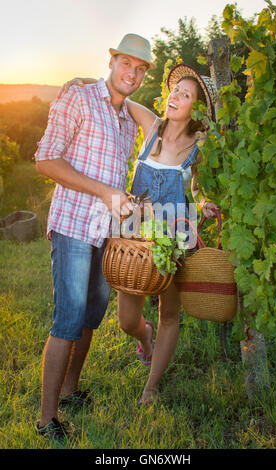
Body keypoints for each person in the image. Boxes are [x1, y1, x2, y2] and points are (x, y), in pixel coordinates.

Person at [62, 63, 219, 405]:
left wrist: (204, 204)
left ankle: (152, 386)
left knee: (169, 315)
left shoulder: (198, 147)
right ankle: (143, 338)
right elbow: (113, 89)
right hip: (133, 234)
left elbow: (200, 189)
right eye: (176, 90)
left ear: (196, 109)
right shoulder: (151, 125)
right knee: (126, 319)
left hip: (175, 235)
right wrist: (82, 81)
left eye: (186, 94)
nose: (176, 96)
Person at [34, 33, 154, 441]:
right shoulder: (79, 98)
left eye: (140, 70)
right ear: (112, 60)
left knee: (91, 316)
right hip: (72, 225)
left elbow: (137, 111)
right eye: (126, 64)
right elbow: (46, 160)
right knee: (68, 317)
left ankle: (69, 391)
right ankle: (47, 417)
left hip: (107, 234)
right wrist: (104, 192)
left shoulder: (127, 123)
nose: (132, 74)